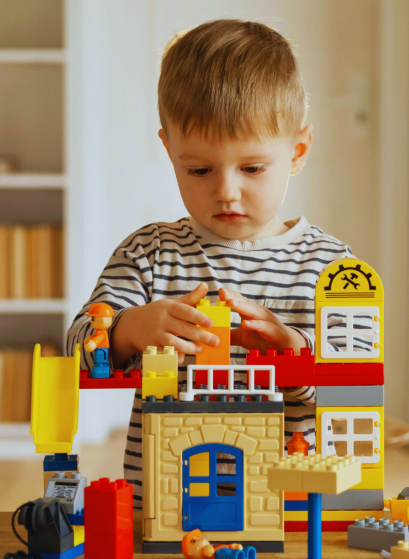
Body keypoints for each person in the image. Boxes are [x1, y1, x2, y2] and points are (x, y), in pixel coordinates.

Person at [66, 19, 353, 510]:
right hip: (161, 504)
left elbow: (353, 399)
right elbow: (76, 349)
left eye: (252, 168)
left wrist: (294, 355)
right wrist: (130, 328)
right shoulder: (148, 255)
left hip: (284, 509)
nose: (226, 190)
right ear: (169, 150)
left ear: (298, 151)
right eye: (198, 169)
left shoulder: (332, 270)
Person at [82, 302, 115, 378]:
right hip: (101, 349)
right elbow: (94, 338)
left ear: (102, 320)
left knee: (100, 359)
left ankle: (101, 368)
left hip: (102, 350)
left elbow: (91, 346)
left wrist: (89, 344)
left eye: (93, 318)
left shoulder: (102, 334)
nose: (90, 321)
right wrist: (89, 339)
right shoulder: (100, 332)